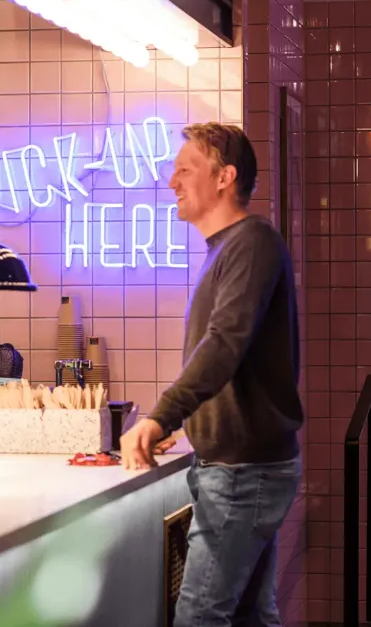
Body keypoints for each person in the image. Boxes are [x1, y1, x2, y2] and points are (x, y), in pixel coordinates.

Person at [119, 122, 304, 626]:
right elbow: (230, 357)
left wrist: (161, 417)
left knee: (200, 616)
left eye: (185, 169)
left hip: (243, 473)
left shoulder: (252, 242)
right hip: (238, 468)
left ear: (225, 177)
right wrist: (186, 425)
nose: (172, 180)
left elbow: (225, 343)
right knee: (249, 616)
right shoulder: (228, 248)